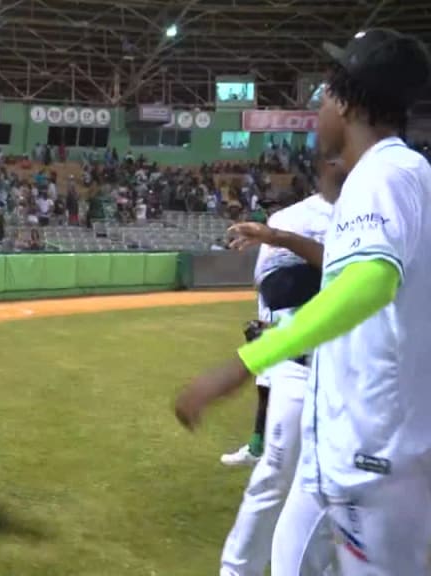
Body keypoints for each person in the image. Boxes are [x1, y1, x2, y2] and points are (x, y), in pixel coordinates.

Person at [176, 29, 431, 575]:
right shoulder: (403, 174)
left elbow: (370, 282)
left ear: (346, 102)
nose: (317, 110)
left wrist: (247, 362)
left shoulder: (384, 173)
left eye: (323, 95)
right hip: (346, 442)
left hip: (373, 456)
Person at [217, 160, 340, 576]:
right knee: (277, 471)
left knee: (334, 485)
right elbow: (273, 289)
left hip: (354, 368)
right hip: (300, 362)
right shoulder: (293, 216)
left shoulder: (388, 201)